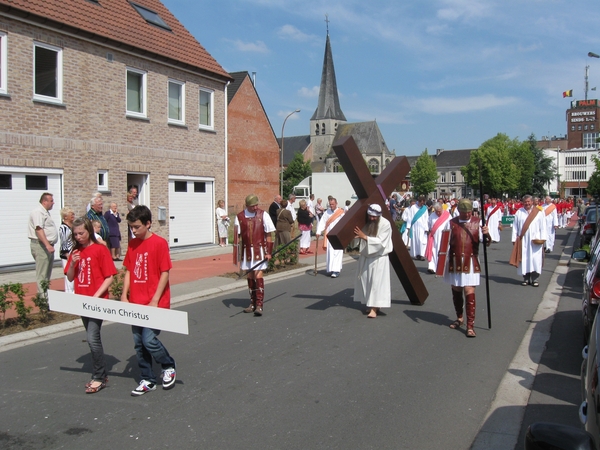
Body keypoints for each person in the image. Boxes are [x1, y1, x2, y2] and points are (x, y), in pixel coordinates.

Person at [121, 205, 177, 396]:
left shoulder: (159, 243)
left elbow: (165, 273)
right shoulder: (132, 244)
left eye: (137, 227)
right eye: (131, 227)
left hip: (156, 302)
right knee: (138, 342)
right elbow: (128, 270)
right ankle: (148, 379)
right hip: (136, 301)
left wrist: (155, 300)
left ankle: (168, 365)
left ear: (148, 224)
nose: (133, 230)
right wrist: (124, 295)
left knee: (149, 340)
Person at [65, 217, 117, 394]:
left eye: (82, 233)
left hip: (96, 301)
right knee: (92, 337)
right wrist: (72, 262)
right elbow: (70, 277)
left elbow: (109, 276)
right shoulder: (76, 251)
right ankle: (100, 372)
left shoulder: (99, 249)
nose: (79, 237)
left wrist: (96, 295)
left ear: (89, 231)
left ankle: (99, 377)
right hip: (82, 301)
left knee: (92, 337)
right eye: (76, 234)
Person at [442, 199, 490, 338]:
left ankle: (470, 325)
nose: (467, 214)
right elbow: (444, 243)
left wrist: (486, 234)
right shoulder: (451, 223)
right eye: (465, 212)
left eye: (469, 212)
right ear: (459, 211)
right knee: (457, 289)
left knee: (469, 290)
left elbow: (486, 243)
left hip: (471, 260)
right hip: (455, 260)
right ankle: (460, 318)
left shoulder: (478, 222)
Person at [234, 194, 275, 316]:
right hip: (247, 251)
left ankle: (259, 305)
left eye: (257, 204)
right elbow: (237, 238)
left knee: (258, 274)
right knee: (250, 276)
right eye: (253, 206)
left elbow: (268, 235)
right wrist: (237, 257)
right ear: (247, 206)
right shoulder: (240, 217)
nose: (256, 207)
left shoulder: (263, 215)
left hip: (259, 251)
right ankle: (252, 303)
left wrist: (268, 252)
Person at [353, 204, 393, 318]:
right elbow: (359, 235)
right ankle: (372, 304)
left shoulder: (385, 224)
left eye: (374, 217)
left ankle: (374, 309)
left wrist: (364, 237)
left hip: (379, 258)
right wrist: (356, 236)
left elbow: (381, 243)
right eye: (370, 216)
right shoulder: (367, 222)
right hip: (366, 256)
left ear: (379, 216)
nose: (372, 219)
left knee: (376, 283)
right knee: (367, 282)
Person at [510, 194, 548, 287]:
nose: (527, 203)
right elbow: (515, 227)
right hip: (523, 241)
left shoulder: (539, 212)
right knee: (524, 259)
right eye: (525, 202)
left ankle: (535, 279)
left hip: (535, 241)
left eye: (529, 202)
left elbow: (543, 227)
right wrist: (514, 239)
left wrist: (543, 239)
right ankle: (526, 278)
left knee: (535, 259)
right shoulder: (519, 212)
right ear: (523, 202)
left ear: (532, 202)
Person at [28, 192, 58, 293]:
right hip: (41, 246)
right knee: (42, 275)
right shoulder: (38, 212)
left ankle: (46, 296)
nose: (53, 203)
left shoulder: (44, 212)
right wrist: (47, 245)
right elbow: (39, 229)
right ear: (44, 201)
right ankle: (43, 301)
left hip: (46, 246)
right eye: (51, 201)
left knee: (46, 275)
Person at [316, 197, 345, 278]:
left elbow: (344, 223)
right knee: (330, 252)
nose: (331, 206)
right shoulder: (327, 212)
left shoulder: (341, 212)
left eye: (332, 204)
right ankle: (331, 269)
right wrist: (318, 231)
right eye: (330, 204)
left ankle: (336, 270)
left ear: (336, 204)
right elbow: (322, 222)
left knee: (337, 252)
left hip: (338, 235)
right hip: (329, 235)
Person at [425, 203, 451, 274]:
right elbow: (429, 225)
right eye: (437, 211)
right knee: (433, 251)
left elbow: (450, 226)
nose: (438, 213)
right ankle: (432, 267)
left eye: (439, 211)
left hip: (444, 237)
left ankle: (442, 267)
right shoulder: (432, 216)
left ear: (442, 209)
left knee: (443, 251)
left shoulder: (447, 215)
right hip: (434, 237)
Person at [406, 196, 429, 260]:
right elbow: (409, 217)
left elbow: (426, 218)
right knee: (415, 240)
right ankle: (415, 254)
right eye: (421, 203)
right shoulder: (413, 207)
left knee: (421, 241)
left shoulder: (424, 208)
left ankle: (421, 254)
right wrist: (408, 226)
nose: (422, 204)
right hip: (414, 227)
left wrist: (426, 228)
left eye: (423, 203)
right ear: (418, 202)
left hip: (422, 227)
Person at [59, 207, 75, 293]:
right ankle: (69, 294)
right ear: (65, 216)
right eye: (71, 214)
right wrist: (67, 255)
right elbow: (63, 242)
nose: (73, 215)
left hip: (73, 253)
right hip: (67, 255)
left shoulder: (73, 226)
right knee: (68, 275)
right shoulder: (63, 228)